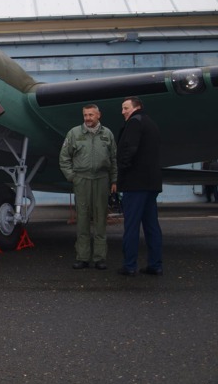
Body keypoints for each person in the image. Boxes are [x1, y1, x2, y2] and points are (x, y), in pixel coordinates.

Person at [59, 104, 118, 271]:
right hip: (82, 180)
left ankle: (100, 258)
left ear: (99, 115)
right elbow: (64, 158)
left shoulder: (107, 134)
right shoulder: (74, 133)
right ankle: (83, 257)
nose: (88, 118)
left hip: (102, 179)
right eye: (85, 115)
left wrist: (114, 180)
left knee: (100, 220)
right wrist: (72, 177)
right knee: (83, 220)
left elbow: (114, 159)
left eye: (91, 115)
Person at [116, 96, 163, 276]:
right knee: (152, 226)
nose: (123, 112)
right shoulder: (151, 124)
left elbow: (128, 149)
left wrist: (122, 170)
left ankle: (129, 265)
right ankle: (155, 265)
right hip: (151, 183)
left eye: (125, 108)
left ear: (136, 107)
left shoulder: (134, 123)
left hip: (135, 184)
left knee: (131, 226)